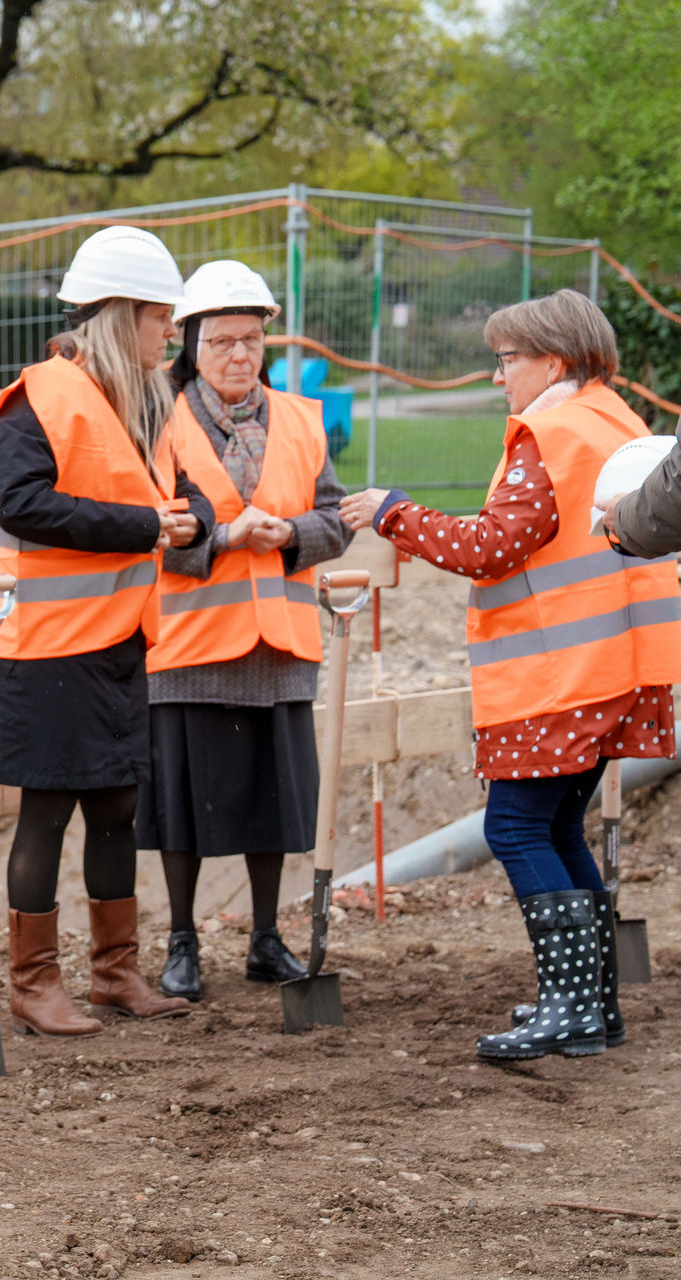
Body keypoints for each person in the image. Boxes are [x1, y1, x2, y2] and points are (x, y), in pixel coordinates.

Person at [341, 288, 681, 1060]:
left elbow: (491, 546)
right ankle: (591, 1009)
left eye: (506, 361)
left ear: (552, 361)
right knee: (559, 825)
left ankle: (572, 1009)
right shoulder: (616, 420)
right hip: (617, 668)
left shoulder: (550, 433)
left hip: (560, 673)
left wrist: (395, 512)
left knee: (516, 826)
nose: (498, 378)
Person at [0, 225, 213, 1036]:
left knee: (117, 808)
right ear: (119, 314)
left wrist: (190, 521)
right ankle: (33, 985)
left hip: (113, 642)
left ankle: (114, 973)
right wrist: (145, 525)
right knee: (46, 814)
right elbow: (21, 504)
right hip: (41, 644)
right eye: (159, 318)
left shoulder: (147, 400)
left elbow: (188, 493)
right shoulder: (42, 395)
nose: (169, 333)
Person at [137, 261, 351, 1000]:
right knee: (182, 810)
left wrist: (289, 532)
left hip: (280, 648)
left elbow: (333, 518)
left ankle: (266, 940)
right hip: (190, 649)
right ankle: (182, 944)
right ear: (192, 346)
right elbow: (150, 527)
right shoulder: (157, 420)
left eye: (252, 340)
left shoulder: (300, 417)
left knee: (274, 800)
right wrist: (222, 539)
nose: (239, 355)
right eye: (223, 341)